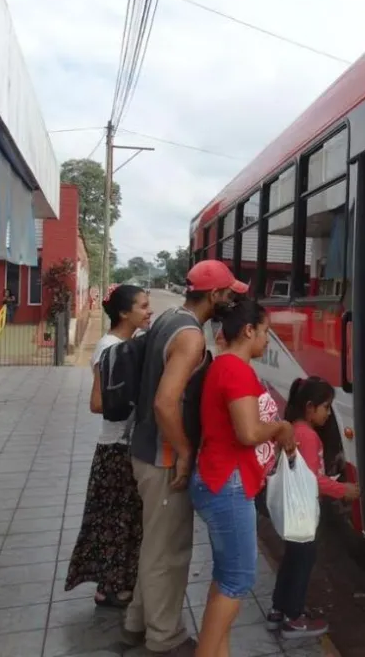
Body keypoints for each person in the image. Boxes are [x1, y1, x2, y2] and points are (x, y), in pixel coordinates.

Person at [123, 259, 247, 656]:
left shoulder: (169, 316)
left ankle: (137, 623)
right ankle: (164, 638)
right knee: (170, 552)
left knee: (155, 544)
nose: (232, 299)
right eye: (229, 293)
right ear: (214, 295)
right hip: (161, 456)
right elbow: (165, 402)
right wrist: (184, 450)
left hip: (144, 447)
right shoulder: (191, 337)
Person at [189, 298, 296, 657]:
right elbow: (248, 432)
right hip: (227, 484)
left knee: (225, 579)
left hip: (220, 479)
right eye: (265, 332)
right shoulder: (237, 370)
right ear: (248, 330)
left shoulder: (224, 366)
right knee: (237, 580)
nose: (268, 340)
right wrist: (280, 426)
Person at [65, 285, 152, 607]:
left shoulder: (127, 345)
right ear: (124, 313)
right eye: (143, 306)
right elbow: (98, 402)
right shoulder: (110, 349)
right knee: (115, 520)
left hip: (126, 446)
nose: (149, 311)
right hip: (115, 448)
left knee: (125, 518)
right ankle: (110, 588)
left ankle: (118, 581)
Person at [266, 376, 359, 639]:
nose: (329, 414)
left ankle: (279, 610)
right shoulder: (307, 435)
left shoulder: (295, 429)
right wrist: (343, 491)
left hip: (293, 508)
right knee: (303, 562)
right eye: (326, 407)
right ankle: (294, 618)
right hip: (303, 510)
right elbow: (312, 479)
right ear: (310, 407)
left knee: (292, 559)